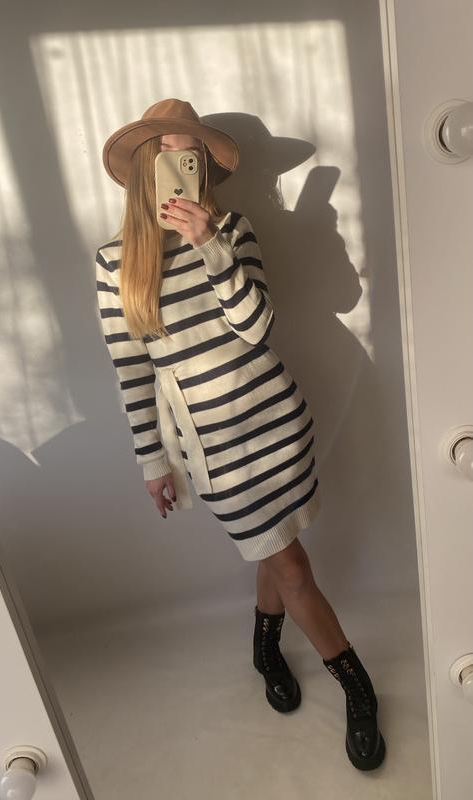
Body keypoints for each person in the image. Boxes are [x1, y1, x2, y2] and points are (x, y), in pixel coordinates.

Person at [96, 98, 386, 770]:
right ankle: (357, 685)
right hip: (215, 449)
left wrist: (211, 246)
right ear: (146, 168)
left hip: (278, 423)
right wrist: (152, 461)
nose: (184, 169)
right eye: (170, 155)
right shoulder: (115, 262)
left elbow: (257, 329)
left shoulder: (231, 230)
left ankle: (264, 646)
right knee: (291, 565)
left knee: (278, 549)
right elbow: (131, 370)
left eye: (192, 156)